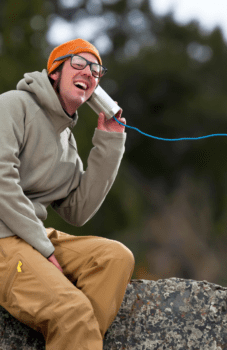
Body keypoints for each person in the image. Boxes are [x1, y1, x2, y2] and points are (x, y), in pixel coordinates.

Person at [0, 38, 135, 350]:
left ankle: (76, 337)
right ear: (54, 72)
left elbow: (78, 210)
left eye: (96, 69)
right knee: (72, 311)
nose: (89, 72)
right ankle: (74, 326)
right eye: (78, 63)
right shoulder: (12, 105)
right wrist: (44, 249)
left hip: (31, 238)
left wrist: (109, 142)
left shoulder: (67, 141)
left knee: (115, 257)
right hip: (4, 238)